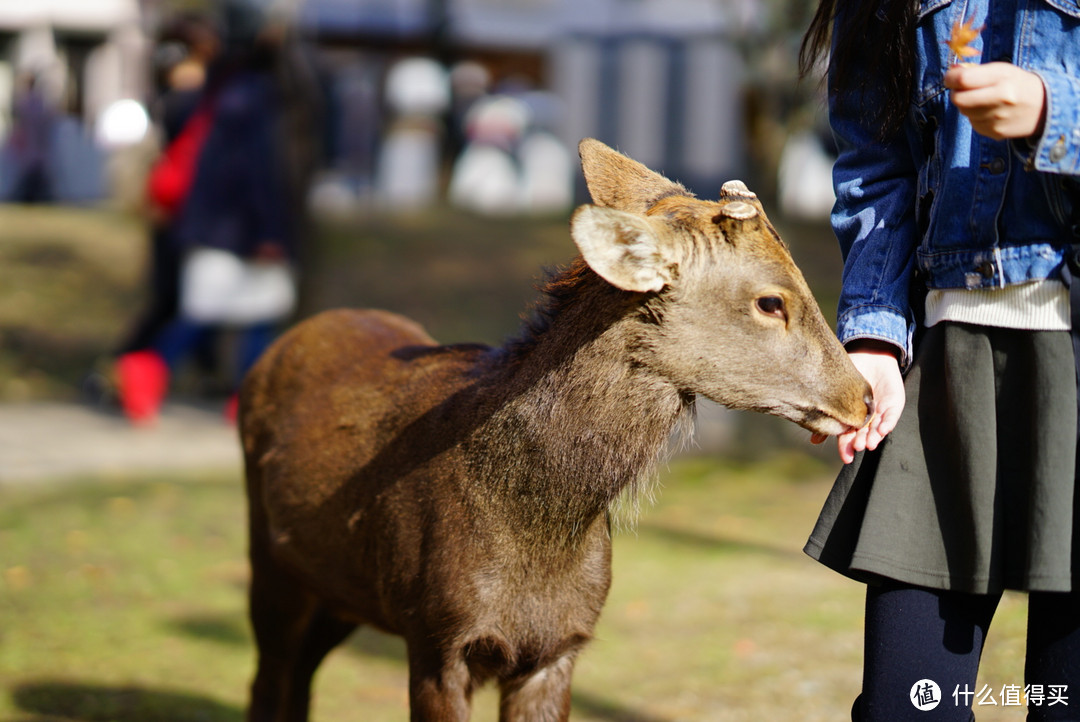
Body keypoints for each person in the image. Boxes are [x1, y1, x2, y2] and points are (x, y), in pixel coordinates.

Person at [799, 1, 1080, 720]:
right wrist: (873, 335)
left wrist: (1059, 110)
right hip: (946, 364)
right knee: (908, 704)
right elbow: (876, 163)